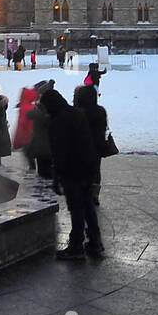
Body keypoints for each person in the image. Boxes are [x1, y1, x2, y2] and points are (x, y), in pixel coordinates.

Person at [44, 87, 103, 258]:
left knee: (76, 208)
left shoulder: (58, 122)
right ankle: (95, 242)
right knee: (88, 205)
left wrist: (57, 178)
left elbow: (59, 152)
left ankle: (76, 245)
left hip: (73, 171)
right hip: (87, 167)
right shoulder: (77, 114)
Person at [73, 84, 108, 205]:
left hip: (82, 147)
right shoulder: (101, 111)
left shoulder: (78, 112)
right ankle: (94, 194)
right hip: (97, 145)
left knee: (81, 170)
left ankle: (84, 192)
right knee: (96, 170)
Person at [23, 80, 56, 181]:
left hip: (43, 145)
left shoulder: (43, 109)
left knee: (44, 172)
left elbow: (29, 115)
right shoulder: (53, 107)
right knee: (47, 170)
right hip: (47, 145)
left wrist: (38, 106)